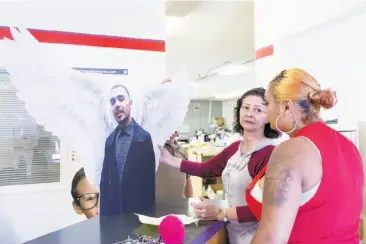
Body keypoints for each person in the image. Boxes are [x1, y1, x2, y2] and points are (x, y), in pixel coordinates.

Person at [247, 68, 364, 244]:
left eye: (267, 103)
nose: (266, 112)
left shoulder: (290, 151)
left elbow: (270, 239)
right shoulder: (350, 147)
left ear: (286, 106)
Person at [159, 87, 281, 243]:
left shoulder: (270, 154)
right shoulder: (236, 147)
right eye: (245, 107)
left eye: (258, 110)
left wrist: (220, 212)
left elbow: (264, 209)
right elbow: (206, 169)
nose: (249, 113)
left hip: (257, 236)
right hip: (234, 233)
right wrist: (169, 159)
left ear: (268, 116)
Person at [99, 84, 155, 216]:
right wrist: (103, 220)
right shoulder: (109, 142)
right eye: (113, 101)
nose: (117, 104)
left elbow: (149, 185)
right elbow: (104, 183)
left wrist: (149, 219)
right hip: (113, 217)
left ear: (130, 103)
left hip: (138, 216)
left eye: (121, 99)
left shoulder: (144, 138)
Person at [156, 131, 193, 199]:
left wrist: (189, 201)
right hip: (158, 205)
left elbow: (188, 181)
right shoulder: (155, 149)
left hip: (180, 204)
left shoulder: (181, 150)